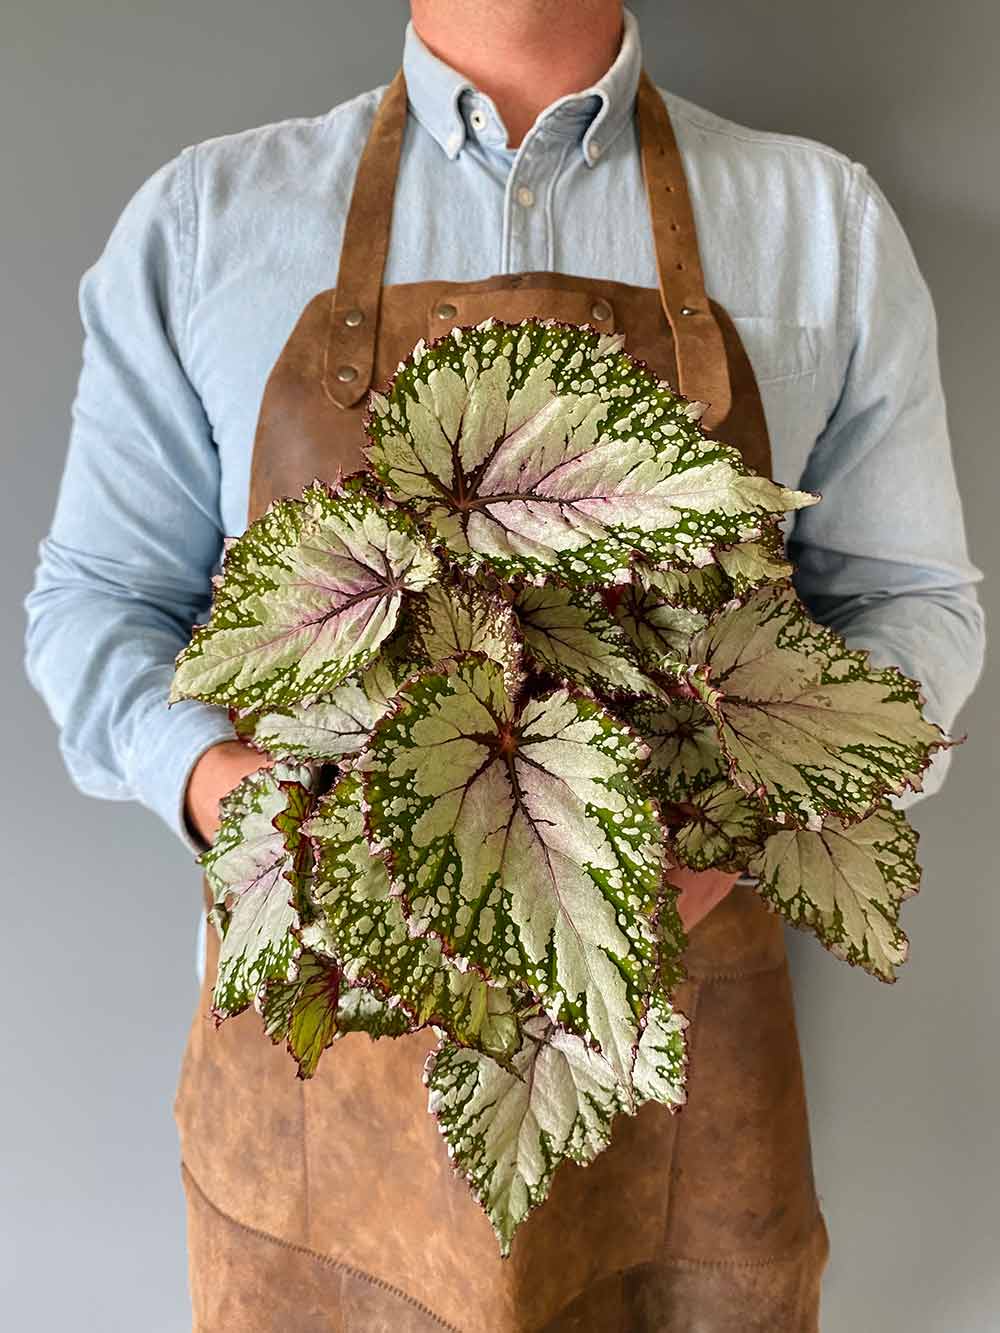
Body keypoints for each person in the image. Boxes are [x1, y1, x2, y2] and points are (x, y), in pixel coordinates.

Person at [23, 2, 985, 1329]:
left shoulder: (820, 223)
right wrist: (235, 792)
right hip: (314, 1136)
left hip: (683, 1126)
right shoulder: (207, 220)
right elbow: (91, 605)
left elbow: (915, 607)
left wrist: (734, 827)